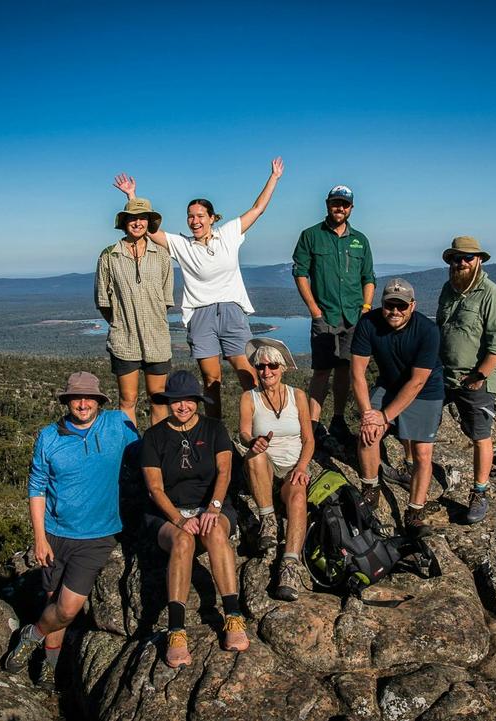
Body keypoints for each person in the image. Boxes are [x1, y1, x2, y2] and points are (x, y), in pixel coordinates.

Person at [113, 158, 284, 418]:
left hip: (231, 311)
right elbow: (147, 230)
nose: (194, 221)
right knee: (211, 379)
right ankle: (216, 435)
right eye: (190, 216)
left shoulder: (229, 234)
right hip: (200, 315)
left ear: (212, 218)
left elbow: (258, 208)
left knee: (247, 373)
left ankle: (258, 426)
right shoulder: (181, 245)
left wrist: (274, 177)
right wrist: (132, 195)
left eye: (200, 216)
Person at [3, 372, 140, 690]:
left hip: (97, 536)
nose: (82, 403)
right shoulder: (49, 436)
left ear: (98, 401)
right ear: (66, 402)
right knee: (55, 605)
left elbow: (149, 456)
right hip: (54, 534)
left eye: (88, 397)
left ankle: (32, 635)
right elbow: (36, 487)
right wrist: (39, 538)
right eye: (76, 398)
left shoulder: (117, 426)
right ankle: (49, 668)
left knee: (66, 608)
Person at [140, 370, 248, 668]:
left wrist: (213, 508)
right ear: (168, 402)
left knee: (214, 534)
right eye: (176, 401)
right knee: (184, 541)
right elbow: (155, 488)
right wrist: (178, 520)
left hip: (211, 506)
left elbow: (225, 472)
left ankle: (233, 616)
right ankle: (176, 631)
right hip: (168, 513)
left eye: (189, 400)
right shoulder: (154, 437)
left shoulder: (214, 430)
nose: (183, 406)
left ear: (197, 401)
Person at [349, 278, 445, 535]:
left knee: (423, 453)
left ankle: (414, 512)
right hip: (389, 383)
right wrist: (368, 414)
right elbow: (357, 372)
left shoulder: (427, 330)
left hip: (426, 390)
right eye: (390, 305)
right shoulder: (368, 323)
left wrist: (384, 416)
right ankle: (371, 488)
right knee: (367, 433)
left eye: (401, 306)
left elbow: (417, 382)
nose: (395, 311)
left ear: (412, 306)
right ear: (381, 304)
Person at [291, 184, 375, 448]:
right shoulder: (311, 236)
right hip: (324, 315)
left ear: (351, 208)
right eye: (335, 203)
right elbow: (300, 273)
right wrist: (314, 310)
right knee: (321, 371)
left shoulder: (360, 239)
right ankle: (313, 426)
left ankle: (338, 420)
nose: (340, 208)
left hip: (353, 315)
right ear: (327, 204)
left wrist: (366, 308)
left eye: (345, 204)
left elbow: (368, 277)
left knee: (345, 370)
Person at [436, 236, 496, 524]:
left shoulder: (494, 296)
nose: (461, 263)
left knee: (480, 436)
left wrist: (479, 376)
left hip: (475, 380)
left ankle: (479, 492)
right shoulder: (448, 289)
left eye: (467, 258)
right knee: (417, 417)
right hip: (444, 374)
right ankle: (411, 469)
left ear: (479, 260)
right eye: (456, 258)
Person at [236, 338, 313, 601]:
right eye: (260, 366)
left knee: (299, 495)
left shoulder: (298, 396)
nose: (266, 371)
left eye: (271, 366)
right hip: (265, 465)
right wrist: (252, 442)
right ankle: (268, 520)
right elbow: (244, 431)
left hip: (293, 465)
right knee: (255, 457)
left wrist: (302, 467)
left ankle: (289, 565)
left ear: (282, 368)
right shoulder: (250, 398)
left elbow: (309, 438)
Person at [95, 197, 174, 425]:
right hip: (124, 340)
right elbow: (103, 300)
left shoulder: (161, 255)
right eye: (133, 218)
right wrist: (120, 322)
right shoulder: (110, 255)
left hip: (157, 338)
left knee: (158, 400)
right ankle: (130, 452)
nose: (138, 223)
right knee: (127, 400)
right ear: (125, 222)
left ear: (149, 222)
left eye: (142, 218)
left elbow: (166, 299)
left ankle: (158, 452)